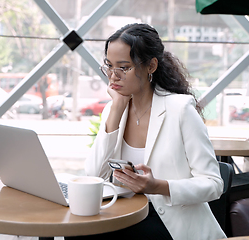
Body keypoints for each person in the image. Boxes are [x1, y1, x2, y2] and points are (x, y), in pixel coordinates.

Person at [67, 23, 226, 240]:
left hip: (169, 223)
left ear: (151, 66)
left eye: (124, 68)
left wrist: (157, 186)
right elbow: (95, 175)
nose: (113, 76)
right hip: (126, 214)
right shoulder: (114, 109)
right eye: (109, 66)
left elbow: (213, 184)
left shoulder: (180, 110)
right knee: (77, 232)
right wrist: (116, 110)